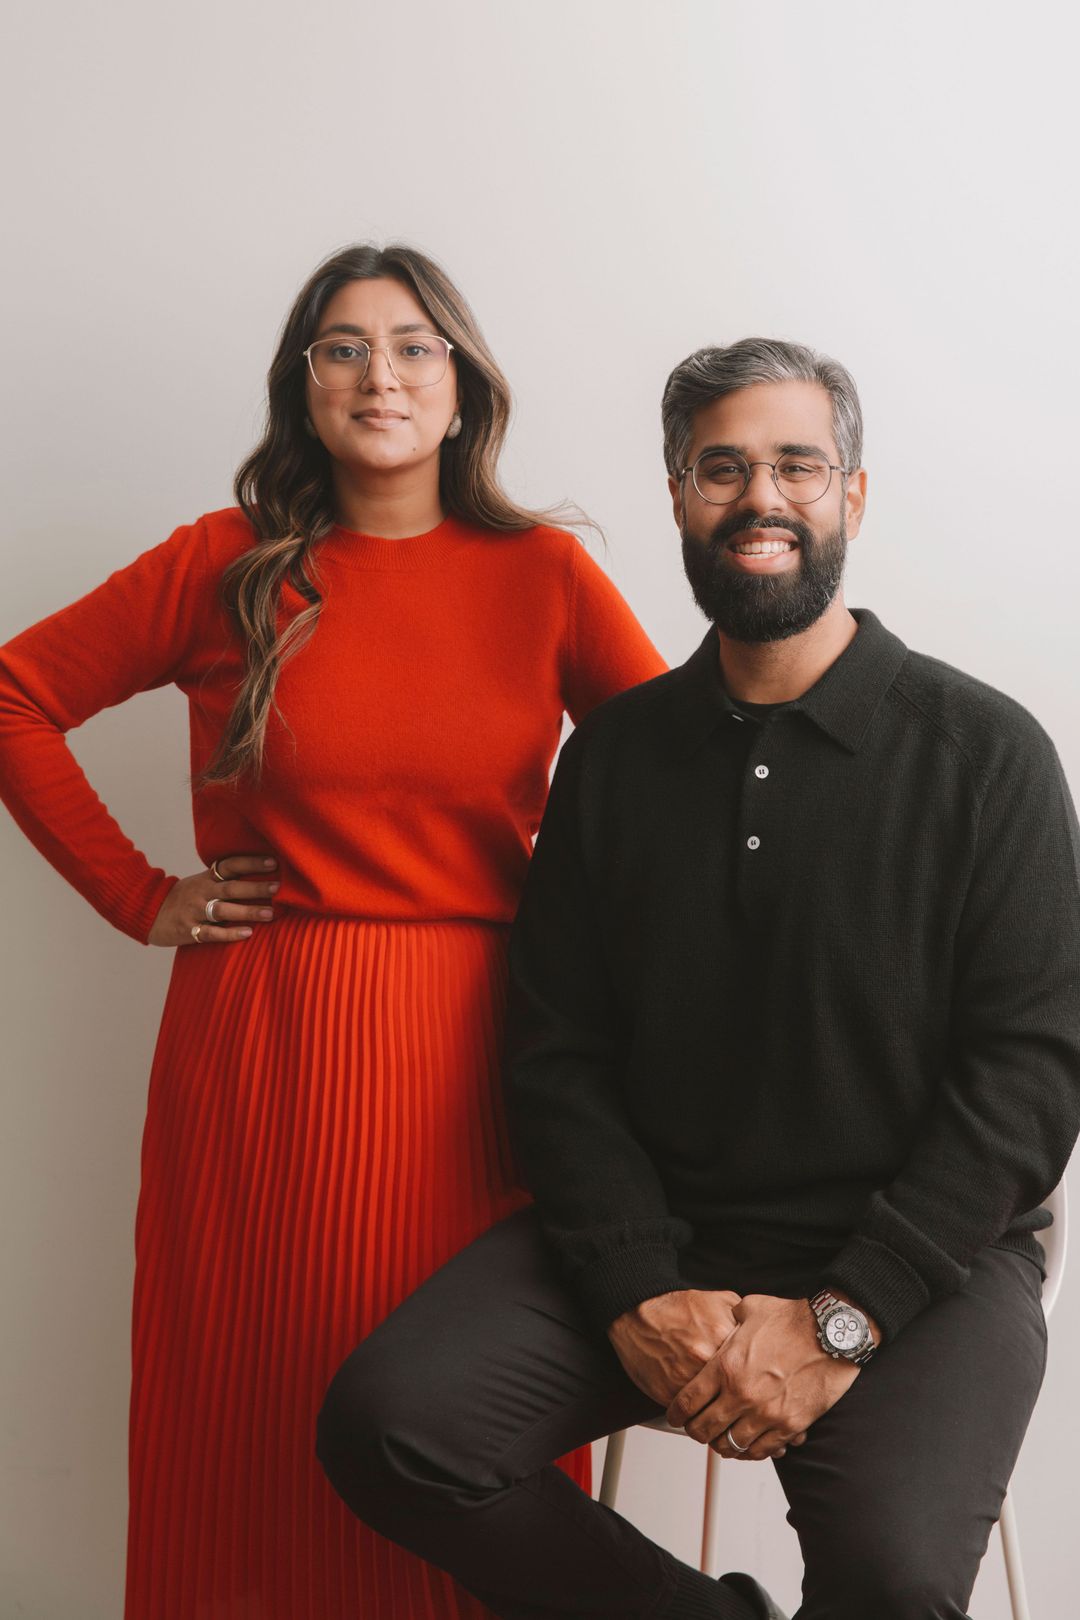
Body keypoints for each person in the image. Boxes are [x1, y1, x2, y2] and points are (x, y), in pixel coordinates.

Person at [316, 338, 1080, 1620]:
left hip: (921, 1263)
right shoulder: (614, 760)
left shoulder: (986, 752)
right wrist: (635, 1285)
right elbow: (559, 1053)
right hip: (663, 1237)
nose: (761, 498)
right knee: (390, 1428)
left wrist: (844, 1319)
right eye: (722, 468)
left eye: (797, 465)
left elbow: (1032, 1075)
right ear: (677, 495)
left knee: (892, 1585)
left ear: (855, 494)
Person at [0, 243, 665, 1620]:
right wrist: (141, 895)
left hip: (483, 1056)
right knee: (254, 1405)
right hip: (261, 1047)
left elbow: (684, 771)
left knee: (457, 1418)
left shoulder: (544, 574)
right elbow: (14, 695)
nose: (382, 375)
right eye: (343, 347)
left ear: (465, 385)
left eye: (416, 345)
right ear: (303, 389)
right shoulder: (227, 565)